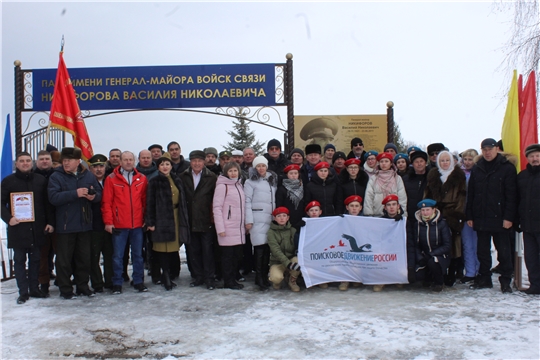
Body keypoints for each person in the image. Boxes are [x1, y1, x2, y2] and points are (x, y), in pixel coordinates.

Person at [48, 147, 101, 299]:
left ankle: (82, 286)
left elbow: (99, 193)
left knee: (84, 258)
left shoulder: (88, 175)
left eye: (69, 161)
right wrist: (75, 193)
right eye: (64, 161)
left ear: (78, 162)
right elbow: (53, 197)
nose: (66, 163)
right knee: (64, 261)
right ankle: (65, 289)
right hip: (65, 225)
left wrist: (93, 197)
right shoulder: (56, 177)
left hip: (84, 224)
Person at [1, 152, 55, 304]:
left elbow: (47, 204)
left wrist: (50, 222)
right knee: (19, 260)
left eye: (27, 161)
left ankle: (34, 288)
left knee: (36, 260)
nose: (25, 163)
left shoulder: (40, 181)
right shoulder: (8, 181)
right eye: (21, 161)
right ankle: (23, 292)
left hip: (37, 227)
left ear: (32, 163)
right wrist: (9, 218)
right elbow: (0, 203)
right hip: (17, 228)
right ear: (16, 164)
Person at [466, 138, 517, 293]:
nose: (487, 152)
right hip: (481, 217)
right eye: (484, 149)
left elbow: (512, 196)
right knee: (482, 251)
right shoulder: (477, 168)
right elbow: (472, 194)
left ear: (496, 149)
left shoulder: (507, 168)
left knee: (504, 252)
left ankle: (506, 281)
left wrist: (509, 217)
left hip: (500, 218)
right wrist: (470, 215)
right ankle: (485, 279)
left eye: (490, 149)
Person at [101, 151, 148, 294]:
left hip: (137, 225)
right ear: (120, 161)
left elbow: (145, 201)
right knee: (118, 256)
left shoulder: (141, 178)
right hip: (119, 225)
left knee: (138, 255)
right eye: (125, 159)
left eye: (130, 159)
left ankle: (138, 280)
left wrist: (146, 219)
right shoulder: (111, 179)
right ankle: (117, 282)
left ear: (134, 161)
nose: (128, 162)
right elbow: (107, 202)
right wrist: (108, 222)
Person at [146, 152, 190, 291]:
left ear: (171, 166)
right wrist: (150, 222)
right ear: (158, 167)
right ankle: (164, 276)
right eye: (162, 164)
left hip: (175, 216)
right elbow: (150, 203)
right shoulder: (154, 181)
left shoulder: (176, 179)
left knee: (172, 248)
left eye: (167, 164)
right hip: (161, 218)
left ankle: (171, 273)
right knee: (161, 249)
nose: (165, 167)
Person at [424, 150, 466, 286]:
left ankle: (452, 274)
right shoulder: (433, 176)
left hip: (452, 214)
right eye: (442, 160)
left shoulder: (459, 176)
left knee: (454, 246)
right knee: (437, 244)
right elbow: (427, 195)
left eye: (447, 160)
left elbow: (462, 197)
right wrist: (430, 213)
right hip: (435, 214)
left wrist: (456, 215)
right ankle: (438, 274)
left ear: (452, 161)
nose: (445, 163)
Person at [180, 150, 218, 290]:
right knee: (193, 251)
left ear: (203, 162)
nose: (196, 163)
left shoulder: (211, 177)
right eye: (194, 161)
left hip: (205, 219)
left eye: (199, 161)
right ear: (190, 162)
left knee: (208, 251)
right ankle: (198, 276)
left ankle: (209, 278)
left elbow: (216, 199)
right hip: (189, 219)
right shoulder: (183, 176)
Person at [244, 156, 277, 290]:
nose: (261, 168)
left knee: (267, 249)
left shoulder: (272, 180)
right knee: (259, 248)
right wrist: (249, 220)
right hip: (257, 219)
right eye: (258, 166)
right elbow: (247, 201)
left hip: (270, 219)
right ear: (254, 168)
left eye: (263, 165)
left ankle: (264, 275)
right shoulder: (249, 182)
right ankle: (259, 277)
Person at [212, 161, 246, 290]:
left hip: (238, 227)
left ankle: (233, 279)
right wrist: (220, 228)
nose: (233, 173)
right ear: (226, 172)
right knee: (227, 257)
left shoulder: (239, 185)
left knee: (236, 256)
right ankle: (228, 281)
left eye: (235, 170)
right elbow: (217, 207)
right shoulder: (222, 186)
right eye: (230, 171)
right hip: (227, 228)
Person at [413, 199, 452, 292]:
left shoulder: (442, 223)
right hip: (424, 255)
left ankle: (439, 282)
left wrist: (432, 254)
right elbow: (416, 245)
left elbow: (447, 245)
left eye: (427, 210)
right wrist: (420, 257)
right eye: (423, 210)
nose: (425, 213)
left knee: (433, 262)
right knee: (418, 274)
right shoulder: (417, 225)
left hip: (440, 255)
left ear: (434, 210)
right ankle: (428, 278)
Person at [88, 154, 113, 293]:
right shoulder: (87, 182)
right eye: (95, 167)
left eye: (101, 166)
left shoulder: (111, 180)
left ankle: (109, 281)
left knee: (110, 255)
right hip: (94, 225)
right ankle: (97, 283)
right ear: (90, 168)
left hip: (110, 225)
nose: (98, 169)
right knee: (94, 257)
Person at [517, 144, 540, 294]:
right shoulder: (522, 176)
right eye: (532, 156)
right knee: (530, 258)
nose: (535, 159)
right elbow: (516, 199)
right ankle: (535, 285)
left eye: (537, 156)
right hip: (528, 225)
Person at [33, 150, 57, 296]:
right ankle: (43, 284)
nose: (44, 161)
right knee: (42, 256)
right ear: (37, 161)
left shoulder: (57, 175)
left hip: (58, 220)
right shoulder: (32, 177)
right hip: (39, 223)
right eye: (41, 159)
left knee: (61, 254)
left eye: (47, 159)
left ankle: (62, 281)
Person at [372, 194, 405, 292]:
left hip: (399, 253)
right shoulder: (380, 222)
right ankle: (381, 281)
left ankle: (397, 279)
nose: (391, 207)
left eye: (394, 204)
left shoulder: (404, 222)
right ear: (385, 208)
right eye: (389, 205)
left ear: (398, 206)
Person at [363, 152, 407, 217]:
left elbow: (402, 197)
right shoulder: (373, 178)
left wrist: (402, 213)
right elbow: (369, 197)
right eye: (381, 161)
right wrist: (368, 213)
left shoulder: (397, 178)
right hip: (377, 214)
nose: (384, 163)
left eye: (386, 161)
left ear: (391, 163)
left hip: (394, 215)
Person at [267, 207, 301, 292]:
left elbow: (298, 244)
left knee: (299, 261)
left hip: (290, 258)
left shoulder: (292, 230)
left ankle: (292, 281)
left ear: (288, 218)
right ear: (275, 218)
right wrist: (288, 264)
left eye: (284, 216)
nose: (282, 218)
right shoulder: (271, 232)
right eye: (279, 216)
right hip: (277, 261)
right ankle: (277, 281)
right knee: (276, 279)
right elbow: (276, 250)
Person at [459, 148, 480, 284]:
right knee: (467, 243)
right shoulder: (460, 174)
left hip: (478, 212)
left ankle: (480, 270)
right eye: (465, 159)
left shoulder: (479, 173)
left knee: (479, 244)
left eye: (470, 159)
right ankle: (470, 271)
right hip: (464, 212)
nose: (467, 162)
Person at [275, 164, 305, 230]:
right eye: (291, 173)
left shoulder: (303, 187)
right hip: (287, 220)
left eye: (295, 173)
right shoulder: (282, 189)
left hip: (300, 219)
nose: (293, 175)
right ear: (287, 175)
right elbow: (279, 205)